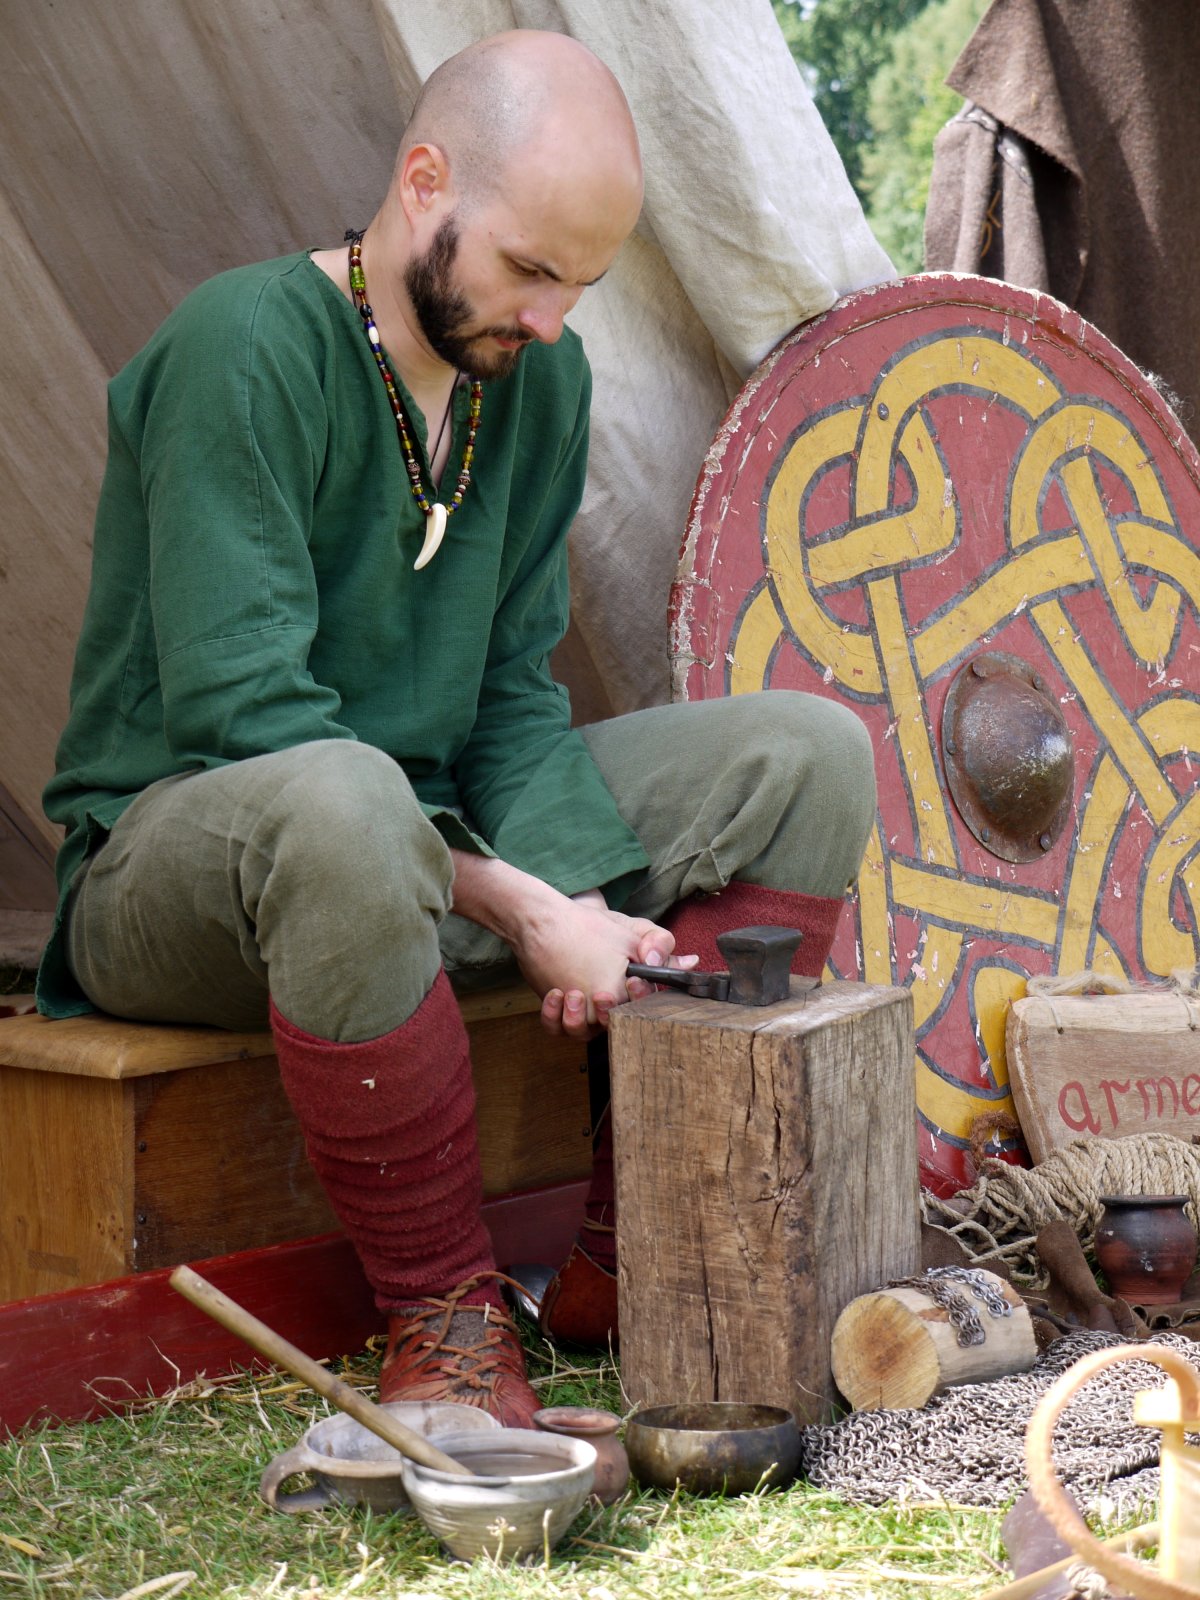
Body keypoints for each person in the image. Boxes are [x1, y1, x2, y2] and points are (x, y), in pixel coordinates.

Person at [38, 31, 876, 1426]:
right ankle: (447, 1314)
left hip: (416, 844)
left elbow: (510, 697)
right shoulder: (240, 347)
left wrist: (586, 902)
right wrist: (522, 904)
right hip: (182, 860)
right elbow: (245, 718)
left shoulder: (533, 385)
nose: (551, 319)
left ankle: (650, 1260)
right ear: (426, 181)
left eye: (584, 287)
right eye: (533, 270)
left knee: (806, 756)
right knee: (345, 800)